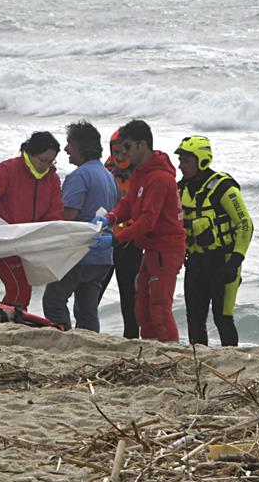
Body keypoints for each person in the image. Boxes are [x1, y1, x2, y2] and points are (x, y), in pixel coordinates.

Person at [90, 120, 185, 342]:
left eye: (128, 148)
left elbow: (147, 220)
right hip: (150, 248)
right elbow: (129, 203)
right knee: (141, 307)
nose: (124, 155)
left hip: (166, 249)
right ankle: (152, 348)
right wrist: (110, 217)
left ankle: (170, 351)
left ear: (142, 145)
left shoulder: (159, 178)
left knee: (159, 308)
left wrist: (114, 239)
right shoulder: (141, 173)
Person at [0, 131, 64, 309]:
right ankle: (11, 322)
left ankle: (9, 317)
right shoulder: (9, 169)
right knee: (19, 287)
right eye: (43, 160)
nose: (46, 166)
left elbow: (54, 213)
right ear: (30, 153)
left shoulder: (52, 179)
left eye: (51, 161)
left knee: (22, 288)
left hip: (26, 243)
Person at [175, 135, 253, 347]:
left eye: (186, 161)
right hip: (197, 262)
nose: (181, 166)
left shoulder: (223, 187)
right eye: (180, 160)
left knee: (223, 318)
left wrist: (235, 261)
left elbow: (245, 224)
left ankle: (232, 362)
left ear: (202, 160)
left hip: (224, 262)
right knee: (195, 320)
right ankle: (199, 363)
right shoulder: (181, 189)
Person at [42, 121, 118, 332]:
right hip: (103, 256)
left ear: (80, 146)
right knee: (87, 309)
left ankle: (63, 337)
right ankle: (89, 343)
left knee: (54, 300)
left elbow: (69, 217)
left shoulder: (79, 176)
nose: (66, 149)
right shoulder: (108, 176)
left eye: (69, 144)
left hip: (80, 255)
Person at [98, 127, 144, 338]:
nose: (120, 156)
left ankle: (132, 340)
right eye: (116, 151)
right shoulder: (105, 170)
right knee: (92, 294)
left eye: (125, 151)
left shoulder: (145, 173)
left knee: (131, 298)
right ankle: (85, 334)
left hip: (131, 243)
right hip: (106, 240)